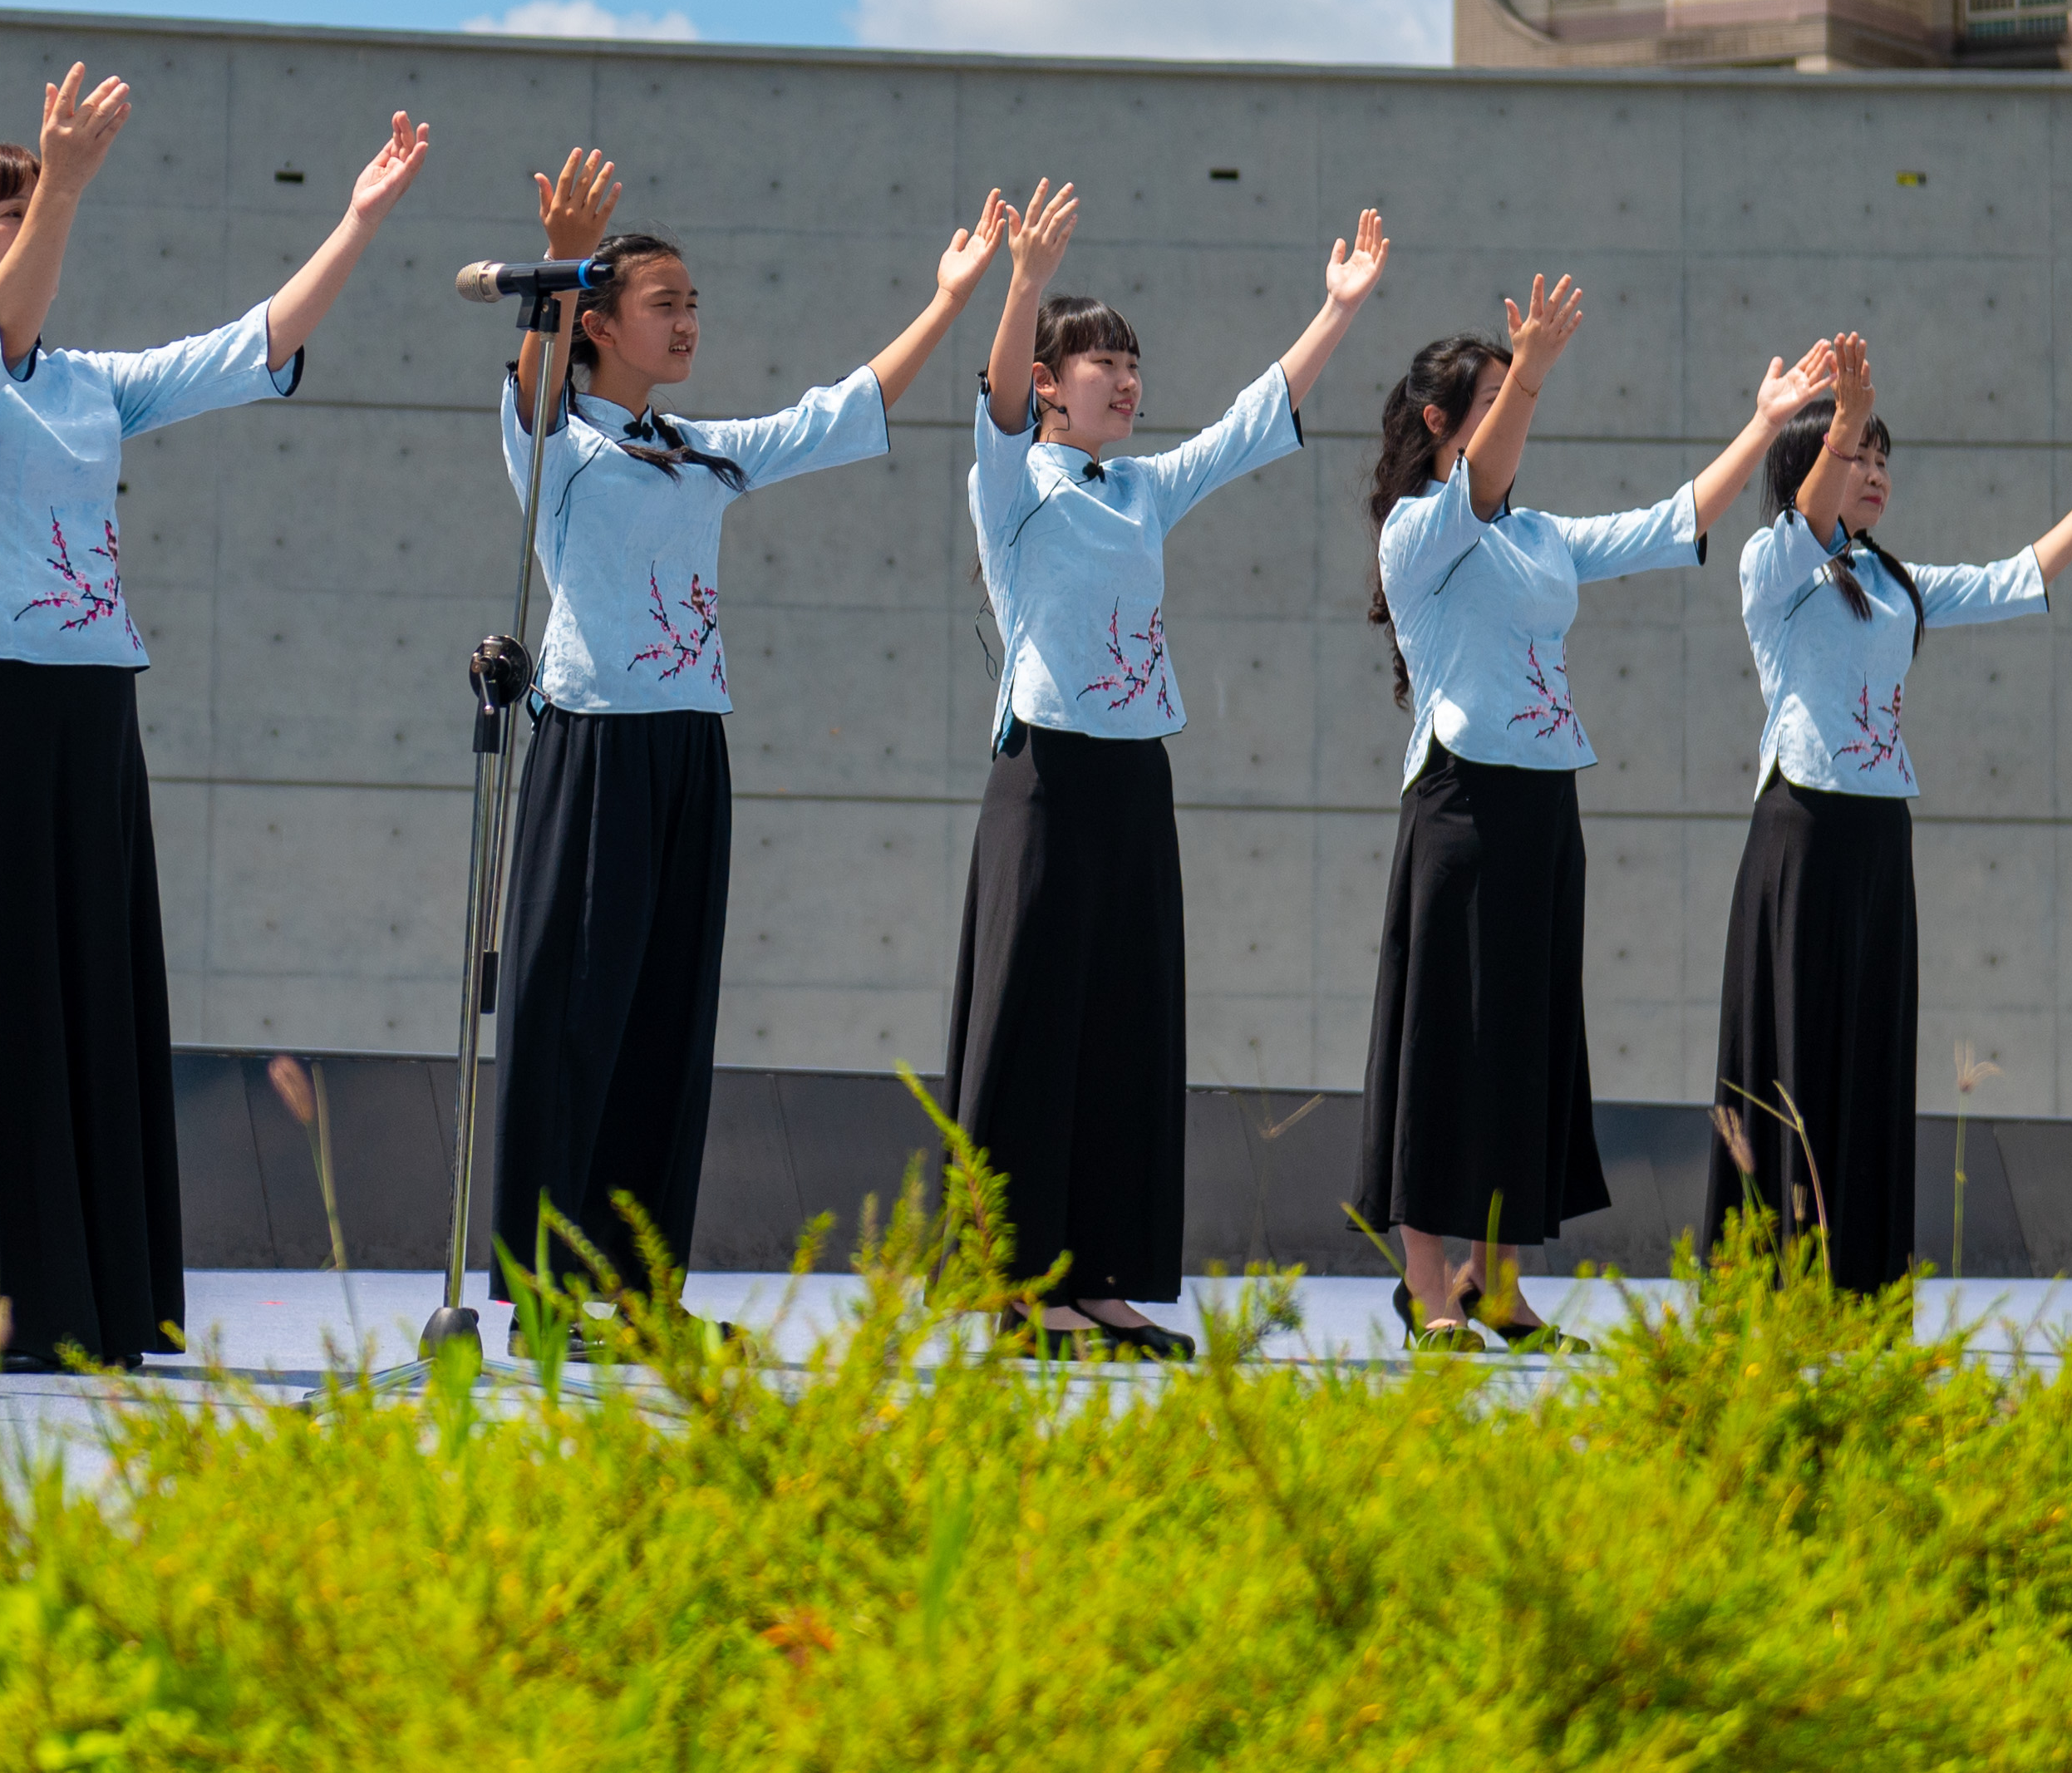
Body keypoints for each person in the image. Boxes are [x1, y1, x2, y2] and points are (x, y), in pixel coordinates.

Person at [0, 75, 431, 1367]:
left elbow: (250, 345)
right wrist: (66, 180)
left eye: (42, 209)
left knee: (83, 994)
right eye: (9, 215)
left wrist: (358, 221)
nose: (42, 225)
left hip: (92, 716)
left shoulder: (94, 384)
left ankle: (79, 1289)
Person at [487, 148, 1007, 1306]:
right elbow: (529, 385)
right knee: (574, 1020)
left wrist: (950, 296)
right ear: (600, 325)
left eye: (693, 304)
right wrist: (561, 269)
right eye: (663, 304)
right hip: (597, 750)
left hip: (689, 753)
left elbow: (843, 411)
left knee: (667, 1028)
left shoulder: (698, 451)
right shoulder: (558, 445)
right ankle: (543, 1289)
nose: (687, 323)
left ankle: (638, 1295)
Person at [950, 182, 1389, 1358]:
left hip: (1135, 776)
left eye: (1131, 361)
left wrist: (1334, 309)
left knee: (1126, 1029)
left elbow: (1252, 420)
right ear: (1049, 382)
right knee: (1034, 1032)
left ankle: (1100, 1277)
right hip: (1043, 780)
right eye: (1100, 362)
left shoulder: (1141, 488)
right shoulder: (1012, 483)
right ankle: (1018, 1285)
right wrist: (1026, 285)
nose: (1124, 378)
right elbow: (991, 400)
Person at [1356, 282, 1830, 1348]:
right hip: (1457, 809)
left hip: (1541, 808)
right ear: (1440, 421)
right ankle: (1427, 1283)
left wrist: (1762, 423)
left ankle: (1500, 1282)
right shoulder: (1421, 531)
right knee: (1445, 1045)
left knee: (1524, 1043)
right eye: (1490, 400)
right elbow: (1477, 480)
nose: (1512, 418)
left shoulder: (1537, 537)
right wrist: (1529, 368)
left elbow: (1674, 522)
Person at [1709, 334, 2072, 1293]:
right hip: (1800, 832)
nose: (1874, 473)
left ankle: (1860, 1279)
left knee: (1869, 1054)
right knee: (1794, 1055)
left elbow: (2016, 579)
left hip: (1880, 837)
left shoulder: (1892, 584)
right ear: (1810, 466)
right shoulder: (1772, 565)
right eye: (1855, 455)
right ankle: (1774, 1277)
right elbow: (1801, 520)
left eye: (1882, 458)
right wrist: (1837, 419)